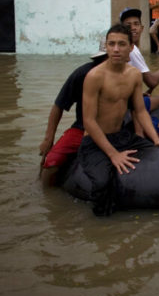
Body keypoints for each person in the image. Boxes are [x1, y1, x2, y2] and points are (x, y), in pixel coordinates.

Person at [81, 24, 159, 215]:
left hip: (122, 137)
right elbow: (89, 121)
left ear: (131, 48)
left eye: (121, 44)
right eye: (111, 44)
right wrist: (113, 155)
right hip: (94, 142)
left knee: (157, 157)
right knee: (102, 183)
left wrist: (156, 139)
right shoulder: (95, 77)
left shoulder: (134, 75)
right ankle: (102, 227)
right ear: (106, 47)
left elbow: (140, 111)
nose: (116, 49)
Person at [37, 37, 108, 187]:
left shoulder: (128, 75)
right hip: (83, 128)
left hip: (113, 129)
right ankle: (48, 198)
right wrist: (48, 139)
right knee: (51, 163)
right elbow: (59, 106)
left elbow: (137, 108)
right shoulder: (82, 74)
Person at [120, 7, 159, 140]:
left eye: (136, 24)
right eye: (128, 25)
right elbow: (151, 81)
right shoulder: (132, 51)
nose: (133, 28)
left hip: (129, 102)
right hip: (128, 108)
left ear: (142, 28)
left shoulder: (132, 49)